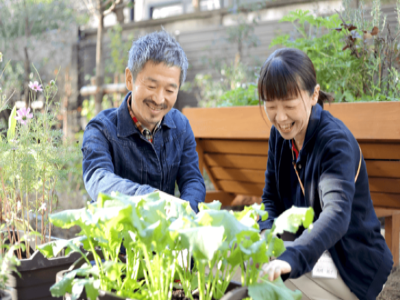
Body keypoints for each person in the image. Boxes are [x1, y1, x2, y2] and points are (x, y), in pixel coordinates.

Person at [257, 48, 392, 300]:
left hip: (354, 268)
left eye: (289, 104)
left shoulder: (334, 142)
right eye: (271, 105)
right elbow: (270, 199)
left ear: (313, 95)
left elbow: (336, 214)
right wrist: (267, 236)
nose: (280, 116)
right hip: (313, 255)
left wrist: (290, 257)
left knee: (264, 282)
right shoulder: (280, 135)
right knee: (243, 263)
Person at [81, 30, 206, 213]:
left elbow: (192, 180)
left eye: (170, 91)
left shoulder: (180, 126)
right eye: (151, 86)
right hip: (116, 238)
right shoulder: (100, 129)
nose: (159, 99)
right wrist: (152, 199)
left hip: (164, 236)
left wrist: (187, 213)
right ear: (130, 79)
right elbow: (98, 178)